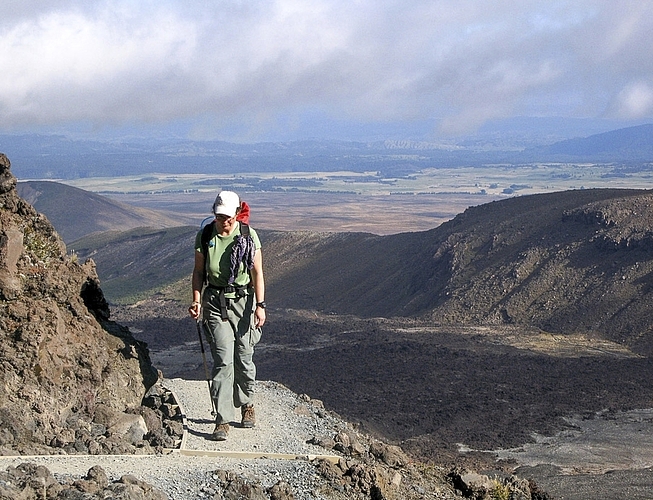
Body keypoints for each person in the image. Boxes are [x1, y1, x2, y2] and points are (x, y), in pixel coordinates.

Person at [188, 190, 266, 441]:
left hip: (244, 302)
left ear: (236, 214)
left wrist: (260, 305)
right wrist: (197, 300)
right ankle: (222, 419)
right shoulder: (206, 235)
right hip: (215, 303)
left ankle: (246, 404)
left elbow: (257, 273)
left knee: (244, 355)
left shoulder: (248, 236)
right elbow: (199, 272)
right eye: (220, 216)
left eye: (228, 217)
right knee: (223, 359)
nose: (224, 221)